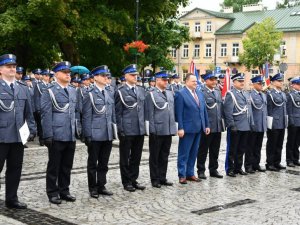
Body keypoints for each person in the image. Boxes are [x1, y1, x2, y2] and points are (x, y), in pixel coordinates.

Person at [0, 54, 36, 209]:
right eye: (8, 66)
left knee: (15, 169)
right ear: (1, 69)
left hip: (18, 136)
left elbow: (29, 112)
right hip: (1, 136)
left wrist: (32, 129)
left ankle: (11, 198)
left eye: (14, 66)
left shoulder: (22, 88)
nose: (12, 69)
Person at [41, 61, 77, 204]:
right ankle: (52, 192)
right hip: (56, 134)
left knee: (67, 165)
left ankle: (64, 190)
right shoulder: (49, 91)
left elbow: (76, 113)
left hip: (70, 133)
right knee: (54, 166)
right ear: (56, 74)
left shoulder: (73, 90)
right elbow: (46, 114)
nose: (68, 74)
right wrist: (48, 135)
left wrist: (77, 130)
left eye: (69, 72)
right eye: (65, 72)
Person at [82, 65, 115, 198]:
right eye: (102, 75)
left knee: (104, 162)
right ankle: (93, 187)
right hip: (95, 134)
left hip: (107, 133)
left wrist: (113, 131)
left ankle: (101, 185)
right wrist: (87, 134)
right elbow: (86, 116)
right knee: (93, 163)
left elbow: (111, 114)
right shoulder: (89, 94)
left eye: (106, 75)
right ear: (95, 77)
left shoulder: (108, 92)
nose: (105, 77)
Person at [115, 64, 146, 192]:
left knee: (136, 156)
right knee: (125, 157)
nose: (135, 77)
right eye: (132, 75)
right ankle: (126, 181)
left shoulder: (140, 90)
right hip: (127, 129)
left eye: (136, 75)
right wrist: (120, 129)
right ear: (126, 76)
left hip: (139, 128)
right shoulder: (120, 91)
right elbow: (118, 112)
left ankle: (133, 179)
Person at [175, 73, 210, 184]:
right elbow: (178, 113)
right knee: (184, 153)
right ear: (187, 82)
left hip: (199, 128)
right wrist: (180, 128)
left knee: (194, 153)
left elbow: (203, 111)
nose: (196, 83)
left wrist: (206, 125)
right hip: (187, 128)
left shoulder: (199, 93)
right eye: (193, 81)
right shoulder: (180, 94)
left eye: (196, 81)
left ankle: (190, 173)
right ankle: (182, 175)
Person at [145, 71, 176, 188]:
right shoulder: (151, 94)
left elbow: (171, 111)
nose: (166, 82)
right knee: (155, 156)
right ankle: (155, 179)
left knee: (164, 155)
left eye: (167, 80)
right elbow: (149, 113)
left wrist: (173, 127)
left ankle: (162, 177)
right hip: (157, 129)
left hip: (167, 129)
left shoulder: (169, 93)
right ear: (157, 80)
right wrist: (152, 130)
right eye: (164, 80)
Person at [223, 73, 253, 177]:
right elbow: (228, 112)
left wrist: (250, 124)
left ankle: (238, 167)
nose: (242, 83)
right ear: (234, 82)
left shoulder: (245, 94)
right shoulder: (230, 94)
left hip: (245, 126)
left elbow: (248, 111)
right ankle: (230, 169)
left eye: (242, 81)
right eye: (239, 81)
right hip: (235, 126)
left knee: (241, 149)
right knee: (232, 149)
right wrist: (231, 125)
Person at [197, 72, 224, 179]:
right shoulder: (201, 92)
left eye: (215, 80)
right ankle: (201, 170)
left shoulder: (217, 91)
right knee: (203, 150)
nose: (214, 82)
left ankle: (213, 169)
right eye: (211, 79)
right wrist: (203, 125)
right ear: (206, 80)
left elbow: (220, 109)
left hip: (217, 126)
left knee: (215, 150)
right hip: (207, 126)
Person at [244, 76, 267, 173]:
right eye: (259, 83)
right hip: (253, 125)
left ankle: (256, 164)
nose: (261, 85)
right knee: (250, 147)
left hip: (261, 125)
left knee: (258, 146)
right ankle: (248, 165)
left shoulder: (263, 95)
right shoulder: (250, 95)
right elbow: (249, 112)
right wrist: (251, 124)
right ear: (254, 84)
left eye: (262, 83)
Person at [266, 73, 287, 171]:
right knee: (272, 144)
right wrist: (269, 123)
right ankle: (270, 163)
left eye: (281, 81)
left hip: (282, 122)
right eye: (279, 81)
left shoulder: (283, 93)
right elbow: (269, 109)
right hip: (274, 123)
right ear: (273, 82)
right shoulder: (270, 94)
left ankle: (277, 162)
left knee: (279, 144)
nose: (281, 82)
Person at [34, 69, 51, 146]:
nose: (47, 77)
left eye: (48, 76)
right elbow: (37, 97)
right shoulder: (39, 85)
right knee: (40, 124)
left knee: (47, 123)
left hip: (48, 108)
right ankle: (41, 139)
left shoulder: (50, 85)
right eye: (46, 76)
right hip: (41, 107)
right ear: (43, 76)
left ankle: (47, 137)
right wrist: (38, 108)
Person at [285, 76, 300, 167]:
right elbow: (289, 110)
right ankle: (289, 160)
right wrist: (291, 121)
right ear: (293, 85)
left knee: (297, 142)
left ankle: (295, 158)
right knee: (291, 141)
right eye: (298, 84)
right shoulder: (290, 95)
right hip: (293, 122)